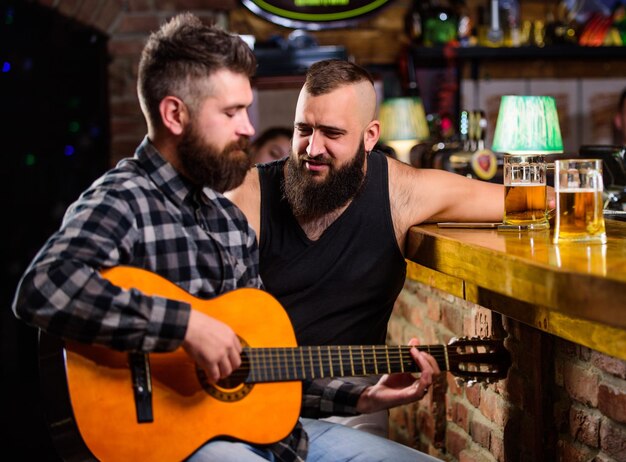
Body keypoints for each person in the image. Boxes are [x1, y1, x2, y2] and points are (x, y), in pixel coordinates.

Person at [11, 14, 442, 462]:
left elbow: (260, 364)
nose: (248, 128)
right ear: (175, 114)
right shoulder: (123, 199)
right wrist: (184, 327)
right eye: (232, 112)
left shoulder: (227, 219)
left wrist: (360, 398)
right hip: (176, 446)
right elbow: (44, 286)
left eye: (246, 110)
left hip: (271, 437)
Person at [225, 59, 505, 435]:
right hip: (248, 402)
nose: (313, 148)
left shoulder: (400, 192)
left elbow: (518, 199)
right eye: (303, 129)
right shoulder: (247, 194)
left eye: (332, 133)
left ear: (370, 136)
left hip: (354, 403)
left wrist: (570, 194)